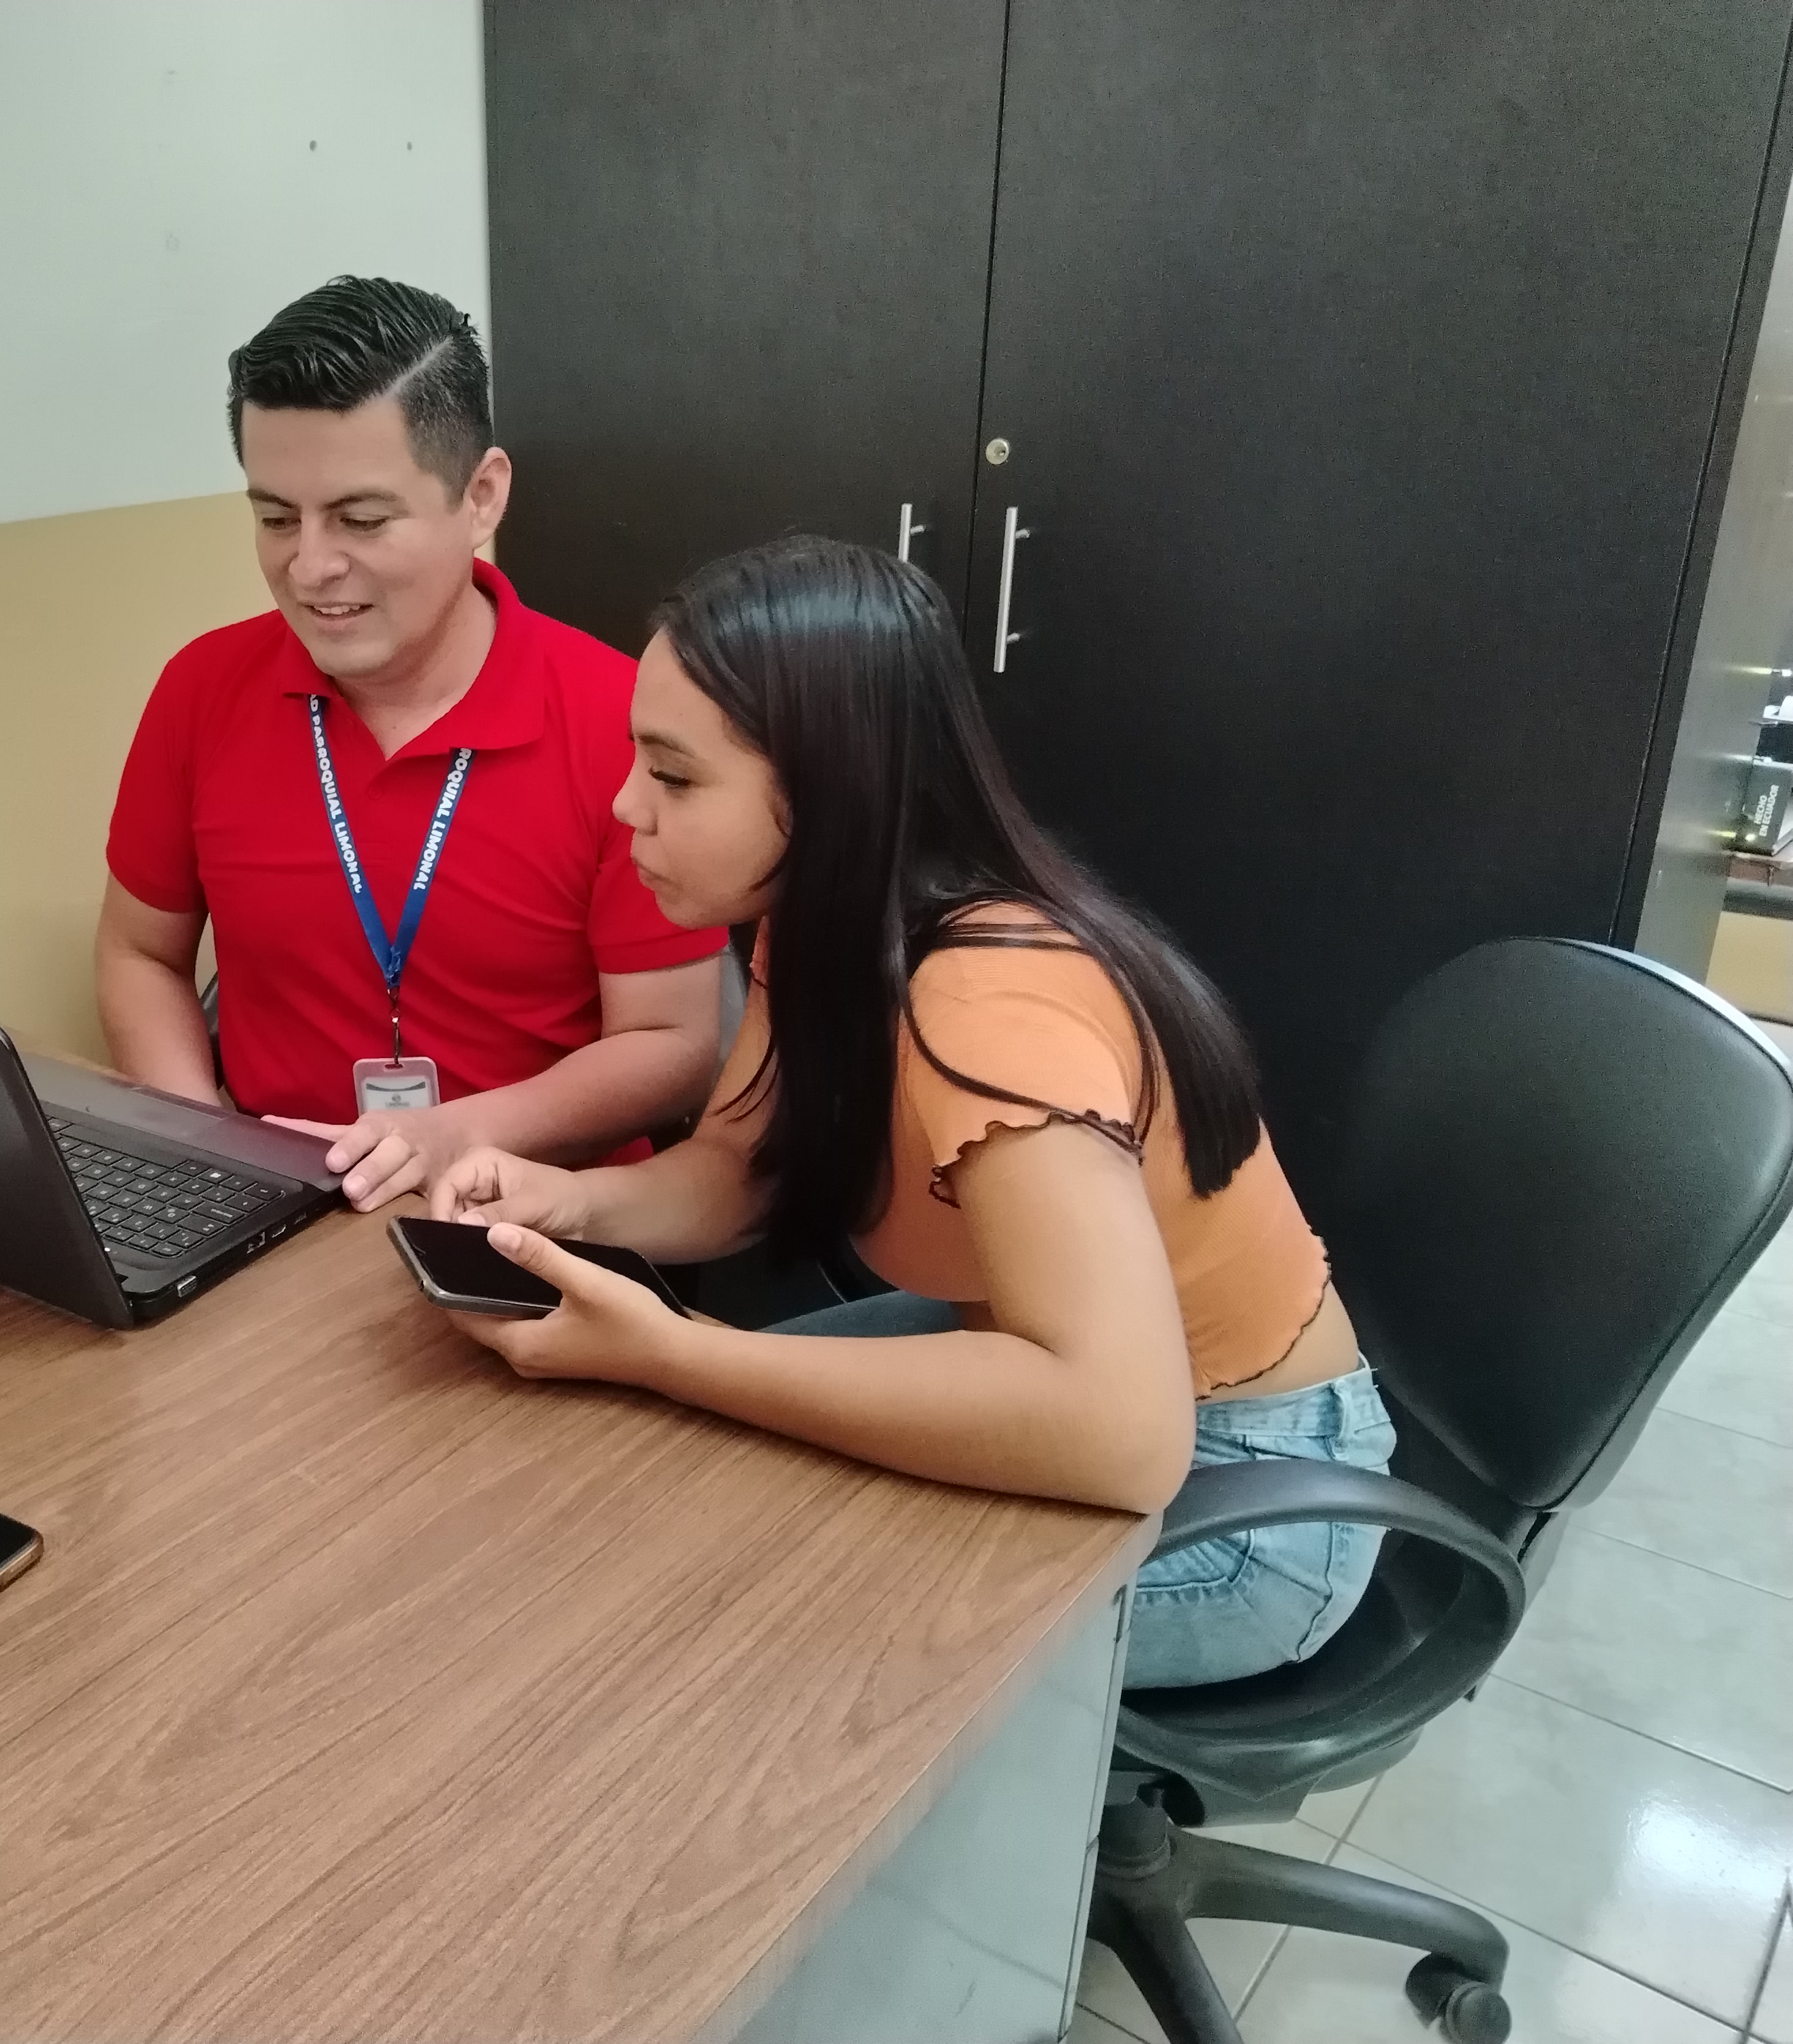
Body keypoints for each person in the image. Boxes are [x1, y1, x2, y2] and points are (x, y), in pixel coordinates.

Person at [425, 536, 1394, 1688]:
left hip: (1247, 1499)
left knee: (726, 1638)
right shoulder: (821, 918)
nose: (626, 805)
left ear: (827, 792)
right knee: (666, 1499)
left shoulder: (986, 1004)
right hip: (1040, 1362)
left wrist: (678, 1354)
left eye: (675, 777)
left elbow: (1122, 1432)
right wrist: (570, 1202)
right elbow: (740, 1164)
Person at [97, 277, 729, 1211]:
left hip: (546, 1218)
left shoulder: (620, 715)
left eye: (361, 520)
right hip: (282, 1215)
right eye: (275, 519)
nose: (311, 566)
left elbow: (671, 1043)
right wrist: (205, 1153)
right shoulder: (203, 690)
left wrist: (453, 1137)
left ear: (482, 497)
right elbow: (139, 954)